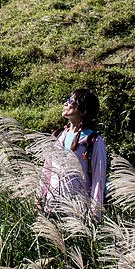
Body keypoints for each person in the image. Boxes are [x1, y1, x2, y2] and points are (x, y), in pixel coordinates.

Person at [38, 88, 108, 218]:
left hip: (76, 210)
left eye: (71, 101)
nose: (65, 103)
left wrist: (94, 213)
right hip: (51, 207)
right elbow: (47, 170)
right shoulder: (58, 136)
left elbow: (99, 180)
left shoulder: (94, 141)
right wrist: (39, 197)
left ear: (82, 110)